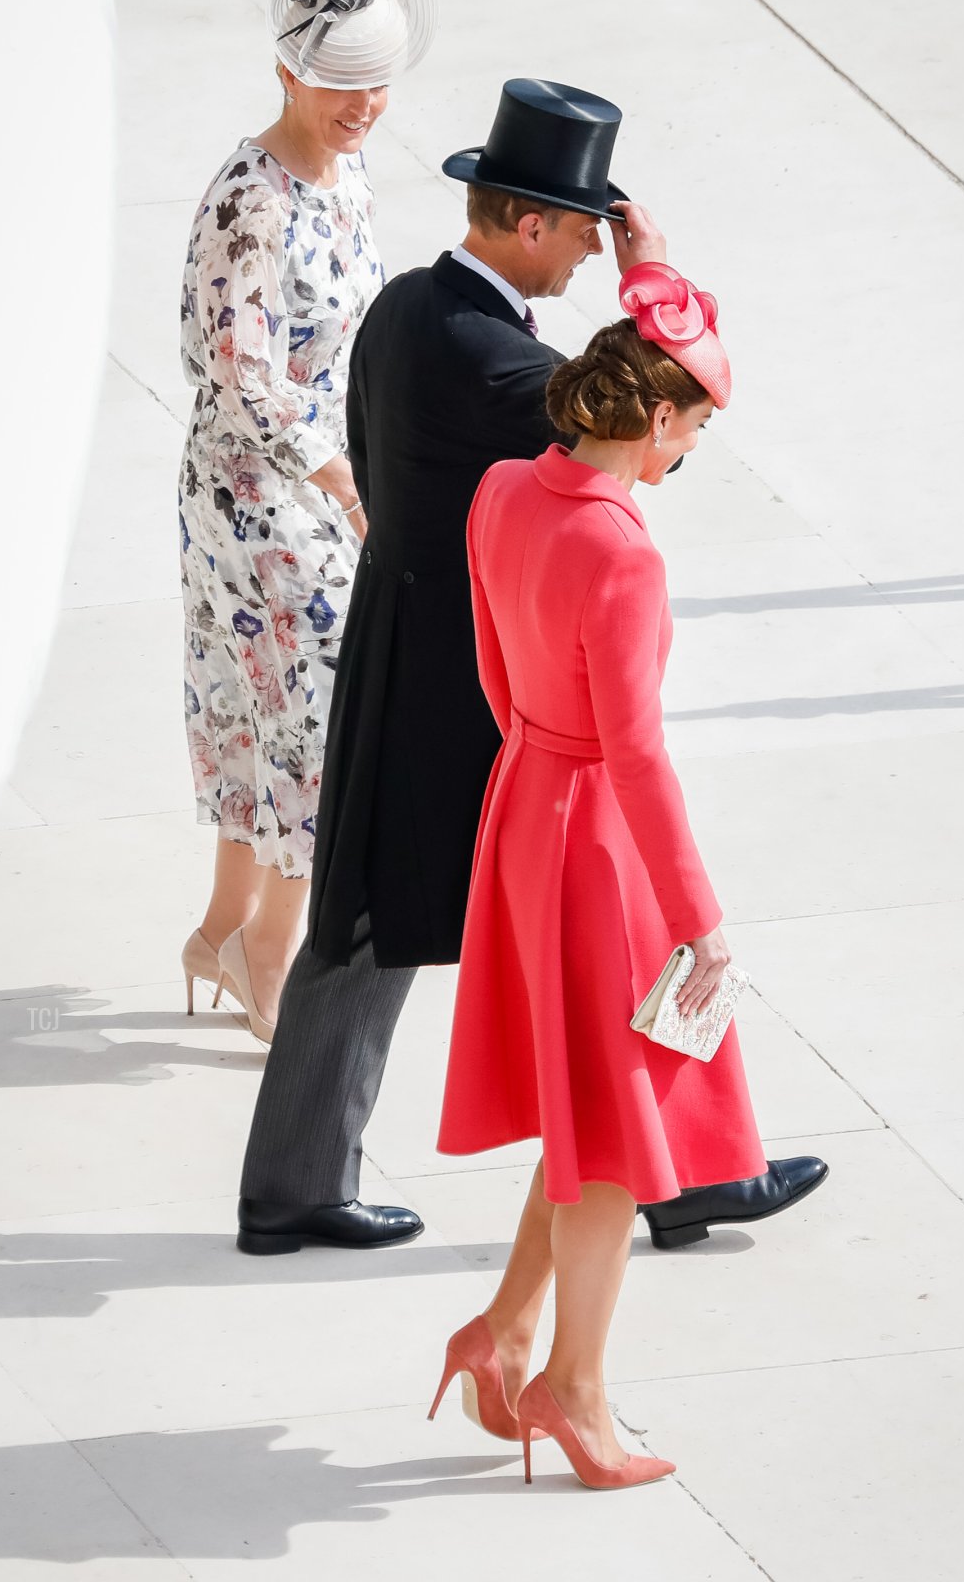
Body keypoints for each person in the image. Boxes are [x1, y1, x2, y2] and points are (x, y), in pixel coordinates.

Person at [237, 80, 825, 1253]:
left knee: (368, 922)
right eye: (579, 235)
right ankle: (681, 1175)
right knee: (612, 919)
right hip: (478, 692)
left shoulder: (410, 309)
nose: (582, 263)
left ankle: (299, 1184)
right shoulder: (492, 359)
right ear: (532, 227)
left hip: (404, 658)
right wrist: (654, 282)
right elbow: (648, 409)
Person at [430, 266, 775, 1488]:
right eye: (697, 426)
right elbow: (637, 754)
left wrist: (538, 769)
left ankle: (507, 1333)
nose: (695, 449)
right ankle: (574, 1392)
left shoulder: (501, 491)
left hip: (522, 806)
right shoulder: (623, 550)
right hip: (597, 844)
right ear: (660, 421)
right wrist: (702, 918)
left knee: (586, 1104)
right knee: (621, 1130)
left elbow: (492, 671)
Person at [176, 0, 435, 1042]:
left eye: (377, 84)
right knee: (308, 725)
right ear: (288, 74)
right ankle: (267, 951)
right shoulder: (251, 202)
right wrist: (346, 479)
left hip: (327, 479)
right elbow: (240, 371)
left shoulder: (347, 174)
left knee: (263, 713)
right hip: (265, 502)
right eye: (341, 85)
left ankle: (223, 931)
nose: (363, 106)